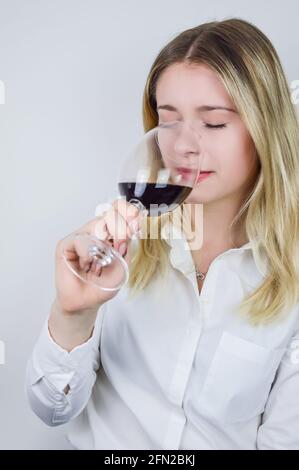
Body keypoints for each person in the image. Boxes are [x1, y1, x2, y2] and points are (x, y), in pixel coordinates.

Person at [26, 18, 299, 450]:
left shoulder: (292, 275)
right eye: (169, 122)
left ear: (266, 128)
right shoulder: (115, 243)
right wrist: (73, 315)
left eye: (213, 123)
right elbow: (52, 411)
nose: (185, 145)